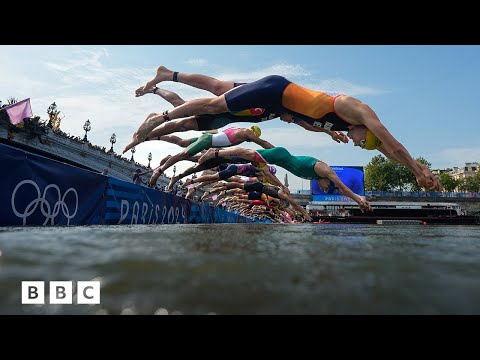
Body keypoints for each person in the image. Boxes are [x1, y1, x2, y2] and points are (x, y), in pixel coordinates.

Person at [133, 69, 441, 191]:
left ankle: (167, 76)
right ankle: (161, 116)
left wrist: (422, 171)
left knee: (215, 89)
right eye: (362, 143)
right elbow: (393, 144)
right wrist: (415, 170)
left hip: (274, 106)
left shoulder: (344, 126)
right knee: (215, 106)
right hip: (273, 92)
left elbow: (389, 152)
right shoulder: (354, 109)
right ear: (365, 130)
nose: (356, 145)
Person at [123, 77, 347, 154]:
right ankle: (152, 117)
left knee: (181, 120)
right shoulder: (276, 100)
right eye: (291, 119)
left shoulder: (281, 112)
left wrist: (328, 132)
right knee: (182, 111)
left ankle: (149, 129)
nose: (288, 121)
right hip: (221, 110)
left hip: (222, 118)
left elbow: (307, 125)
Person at [197, 145, 373, 213]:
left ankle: (218, 157)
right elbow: (343, 187)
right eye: (327, 188)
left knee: (248, 159)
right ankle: (216, 152)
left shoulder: (319, 177)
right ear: (328, 181)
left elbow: (341, 190)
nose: (325, 189)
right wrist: (358, 199)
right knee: (248, 153)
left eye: (326, 190)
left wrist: (281, 186)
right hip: (281, 155)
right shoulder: (324, 170)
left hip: (279, 160)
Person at [147, 125, 274, 188]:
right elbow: (261, 143)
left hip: (213, 147)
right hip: (211, 145)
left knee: (184, 146)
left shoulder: (240, 134)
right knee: (185, 154)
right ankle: (159, 170)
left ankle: (156, 137)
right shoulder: (247, 136)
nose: (251, 140)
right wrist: (276, 152)